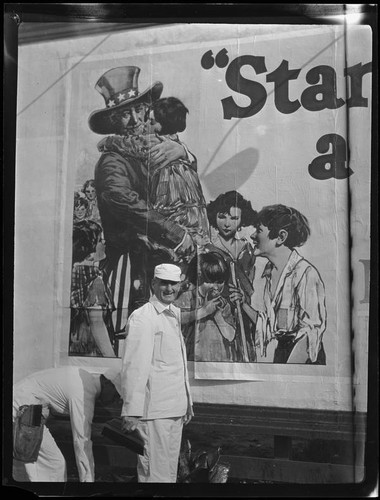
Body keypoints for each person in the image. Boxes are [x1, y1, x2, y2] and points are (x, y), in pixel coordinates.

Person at [88, 66, 196, 329]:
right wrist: (175, 233)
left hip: (156, 266)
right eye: (126, 114)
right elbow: (123, 200)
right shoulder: (112, 160)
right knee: (131, 333)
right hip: (128, 264)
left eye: (139, 110)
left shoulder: (153, 148)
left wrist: (183, 151)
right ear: (114, 120)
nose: (136, 120)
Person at [120, 263, 193, 482]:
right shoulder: (143, 317)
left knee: (169, 474)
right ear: (153, 284)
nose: (169, 289)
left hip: (174, 410)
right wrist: (131, 410)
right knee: (155, 475)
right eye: (164, 283)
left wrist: (186, 404)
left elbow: (174, 366)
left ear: (180, 285)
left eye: (174, 283)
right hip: (153, 413)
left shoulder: (172, 315)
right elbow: (135, 367)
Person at [230, 204, 327, 364]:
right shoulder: (269, 272)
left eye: (259, 231)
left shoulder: (306, 274)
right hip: (282, 356)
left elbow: (310, 333)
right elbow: (272, 325)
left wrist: (288, 370)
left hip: (302, 360)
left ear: (281, 237)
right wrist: (243, 304)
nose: (253, 236)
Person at [13, 366, 121, 482]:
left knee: (45, 464)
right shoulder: (85, 393)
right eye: (116, 394)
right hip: (24, 406)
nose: (116, 400)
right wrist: (88, 481)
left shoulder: (85, 378)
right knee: (54, 464)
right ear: (107, 383)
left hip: (27, 403)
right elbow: (82, 441)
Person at [206, 190, 258, 362]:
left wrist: (243, 298)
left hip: (243, 313)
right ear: (214, 217)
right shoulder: (208, 248)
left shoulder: (247, 248)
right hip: (218, 313)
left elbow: (250, 284)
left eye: (234, 219)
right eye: (222, 217)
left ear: (242, 220)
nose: (227, 224)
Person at [176, 251, 237, 362]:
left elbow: (231, 336)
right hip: (191, 357)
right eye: (210, 282)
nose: (216, 287)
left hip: (219, 358)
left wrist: (217, 315)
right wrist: (204, 311)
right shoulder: (187, 297)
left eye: (220, 282)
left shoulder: (223, 304)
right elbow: (176, 319)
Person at [70, 219, 116, 357]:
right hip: (92, 350)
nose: (104, 243)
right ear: (90, 251)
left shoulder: (71, 273)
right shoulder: (95, 279)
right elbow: (97, 323)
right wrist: (112, 358)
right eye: (100, 241)